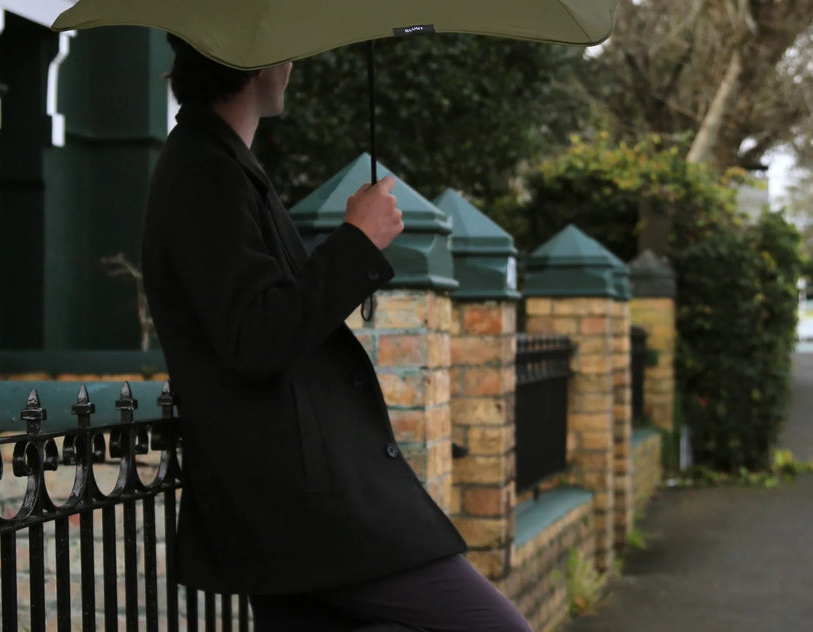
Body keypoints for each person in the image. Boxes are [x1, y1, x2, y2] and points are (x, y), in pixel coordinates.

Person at [141, 34, 533, 632]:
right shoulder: (204, 173)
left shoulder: (221, 164)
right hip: (304, 506)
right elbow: (256, 337)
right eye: (285, 47)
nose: (292, 63)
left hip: (291, 506)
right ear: (252, 61)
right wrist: (356, 241)